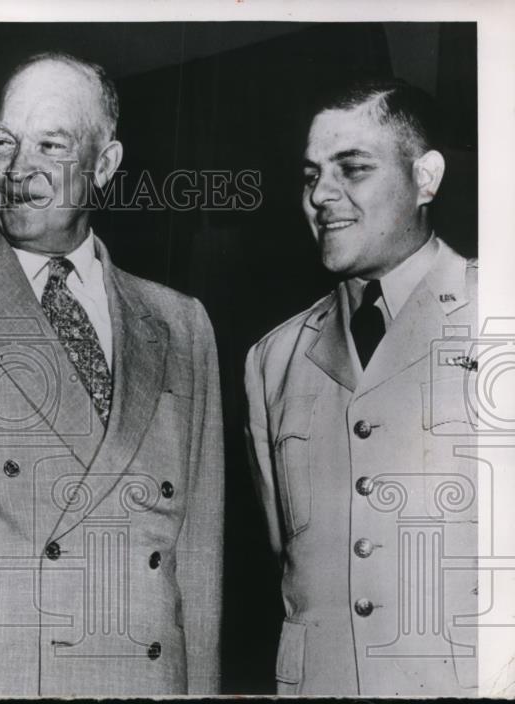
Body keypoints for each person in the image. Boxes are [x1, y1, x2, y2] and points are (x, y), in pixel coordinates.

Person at [0, 52, 223, 697]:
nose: (18, 171)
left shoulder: (181, 324)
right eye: (4, 144)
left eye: (50, 145)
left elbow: (199, 561)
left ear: (104, 165)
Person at [244, 78, 478, 696]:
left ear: (426, 179)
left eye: (352, 168)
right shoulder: (273, 358)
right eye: (311, 175)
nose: (322, 194)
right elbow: (286, 558)